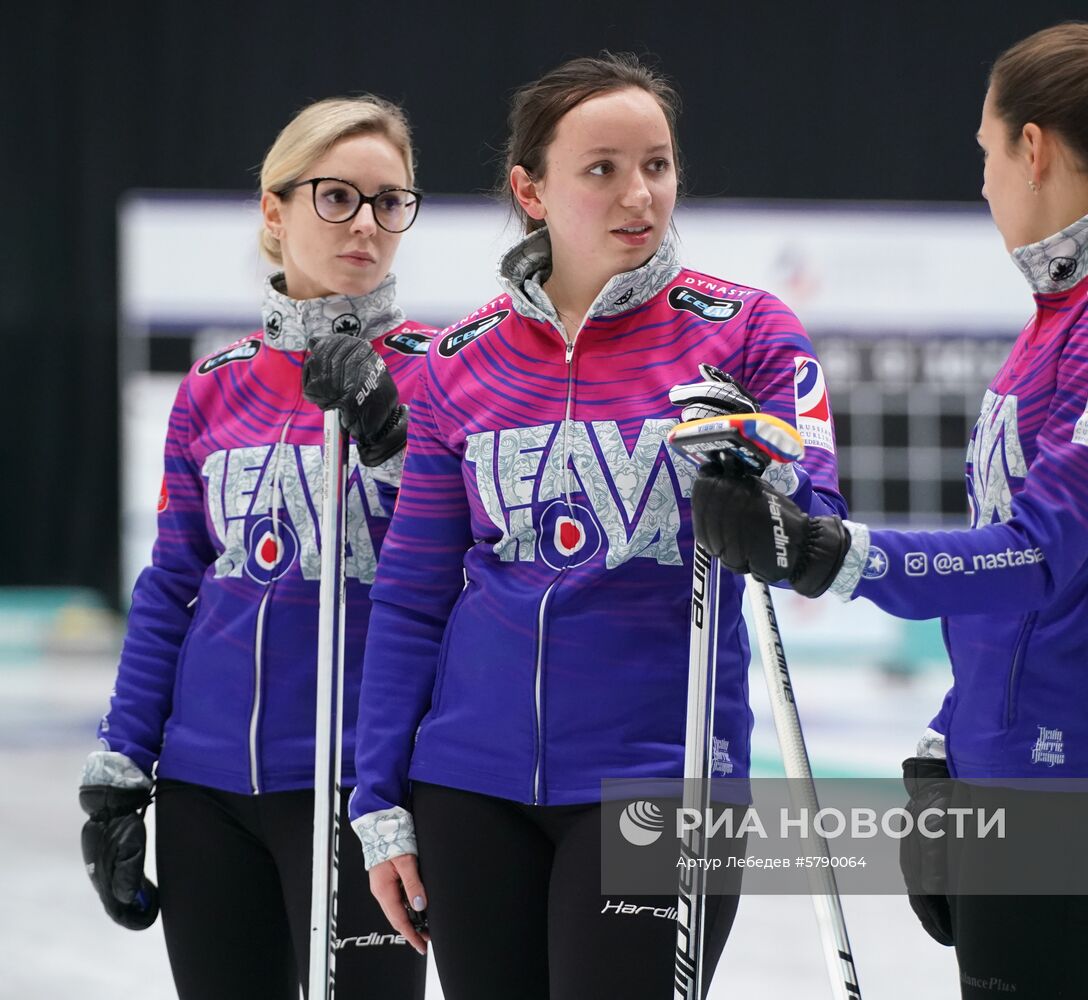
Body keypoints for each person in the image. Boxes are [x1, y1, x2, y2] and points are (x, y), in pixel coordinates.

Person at [689, 22, 1088, 1000]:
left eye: (985, 152)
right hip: (1021, 756)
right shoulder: (1072, 308)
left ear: (1032, 149)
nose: (983, 181)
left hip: (1076, 771)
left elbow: (1039, 556)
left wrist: (831, 554)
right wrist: (949, 738)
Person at [347, 53, 846, 999]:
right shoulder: (461, 360)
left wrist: (759, 484)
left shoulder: (743, 331)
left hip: (661, 781)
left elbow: (816, 525)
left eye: (656, 164)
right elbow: (411, 598)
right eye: (602, 168)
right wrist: (380, 802)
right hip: (467, 784)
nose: (639, 194)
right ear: (529, 190)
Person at [79, 95, 436, 1000]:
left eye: (390, 201)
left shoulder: (441, 368)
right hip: (207, 791)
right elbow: (171, 585)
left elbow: (461, 568)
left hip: (365, 788)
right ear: (274, 211)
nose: (367, 224)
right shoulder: (212, 386)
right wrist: (122, 767)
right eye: (337, 197)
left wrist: (392, 448)